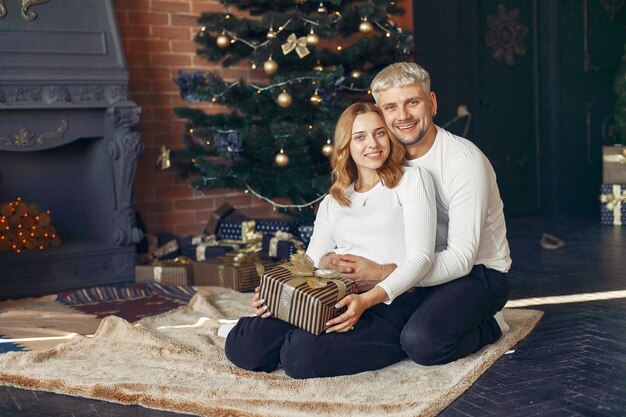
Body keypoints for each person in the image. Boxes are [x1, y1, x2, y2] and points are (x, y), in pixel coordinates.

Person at [225, 102, 437, 378]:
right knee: (244, 345)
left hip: (390, 301)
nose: (372, 144)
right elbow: (310, 263)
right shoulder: (334, 200)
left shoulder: (411, 180)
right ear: (346, 145)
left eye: (380, 133)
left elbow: (422, 258)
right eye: (359, 137)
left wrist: (367, 300)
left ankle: (385, 342)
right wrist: (275, 295)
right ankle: (300, 332)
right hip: (334, 294)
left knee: (300, 357)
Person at [324, 62, 511, 366]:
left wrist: (383, 274)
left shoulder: (463, 161)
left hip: (477, 274)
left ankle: (491, 325)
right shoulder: (383, 160)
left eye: (413, 102)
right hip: (414, 271)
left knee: (423, 343)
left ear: (432, 103)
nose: (403, 116)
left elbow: (462, 258)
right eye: (391, 107)